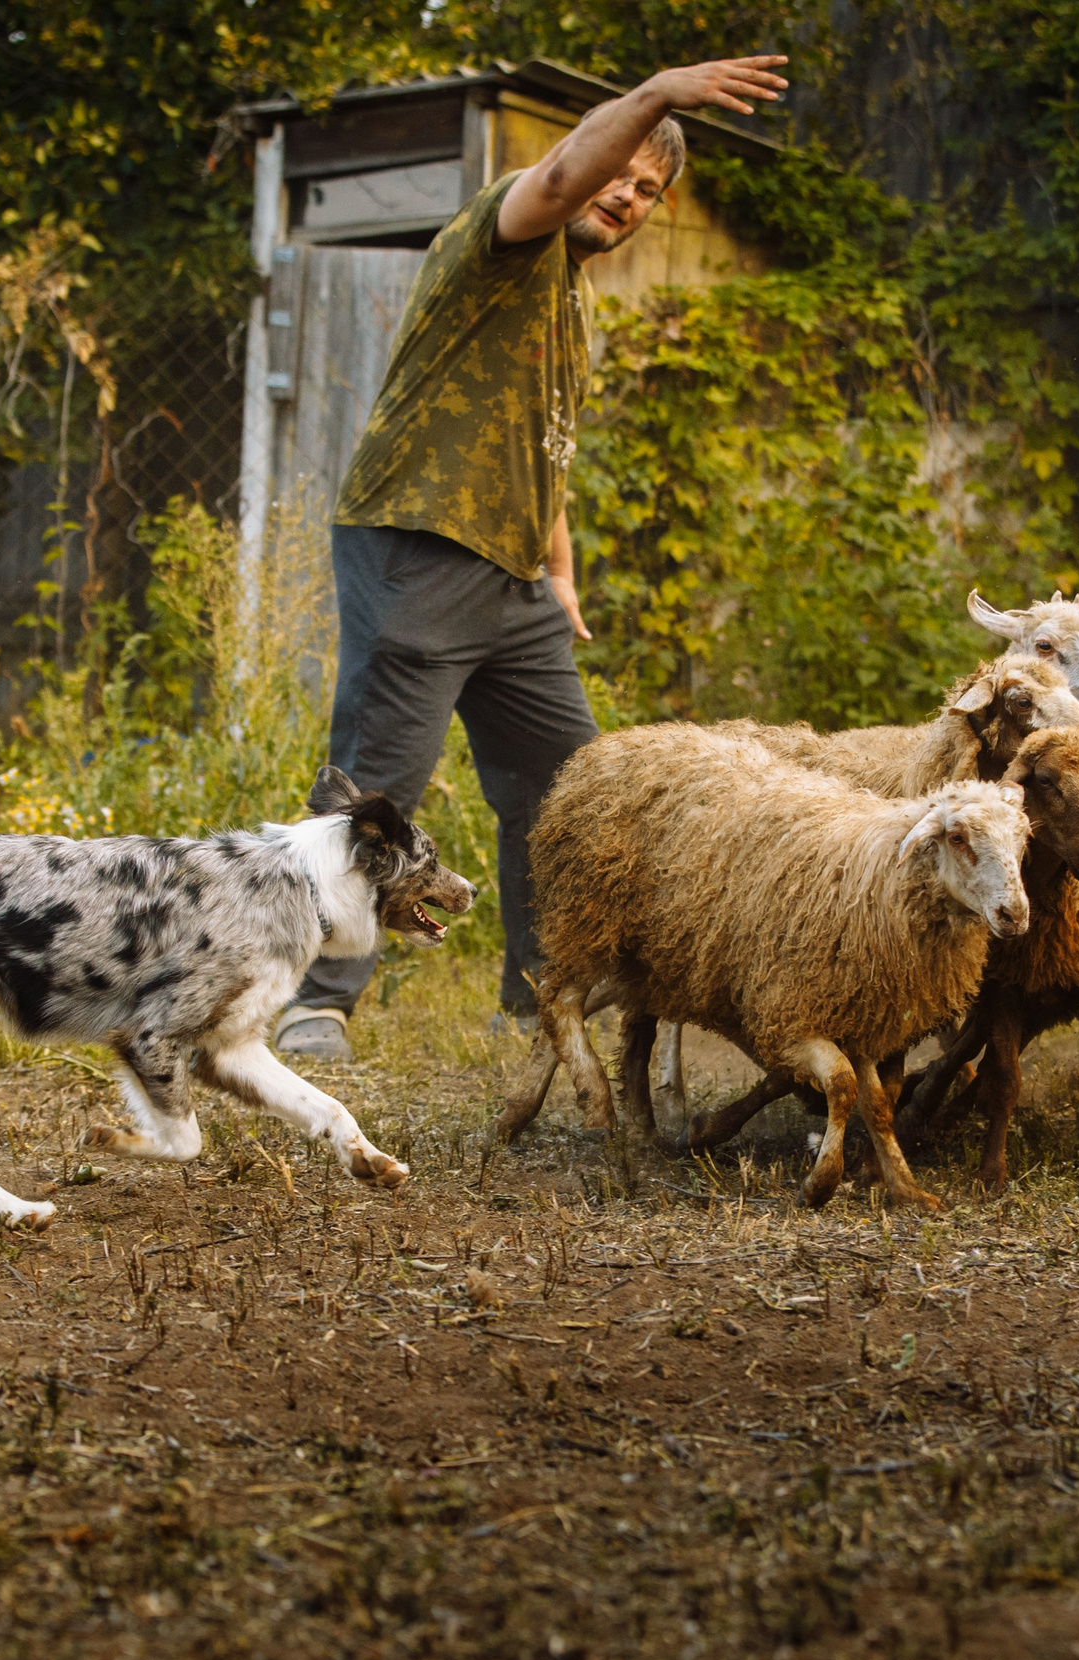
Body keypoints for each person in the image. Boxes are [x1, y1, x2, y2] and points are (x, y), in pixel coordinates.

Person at [272, 54, 790, 1063]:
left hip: (512, 579)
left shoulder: (570, 303)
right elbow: (555, 181)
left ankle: (541, 989)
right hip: (421, 544)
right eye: (621, 174)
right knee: (379, 786)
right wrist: (648, 99)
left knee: (562, 790)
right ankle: (306, 998)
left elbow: (539, 438)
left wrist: (557, 567)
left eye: (648, 190)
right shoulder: (504, 235)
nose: (628, 198)